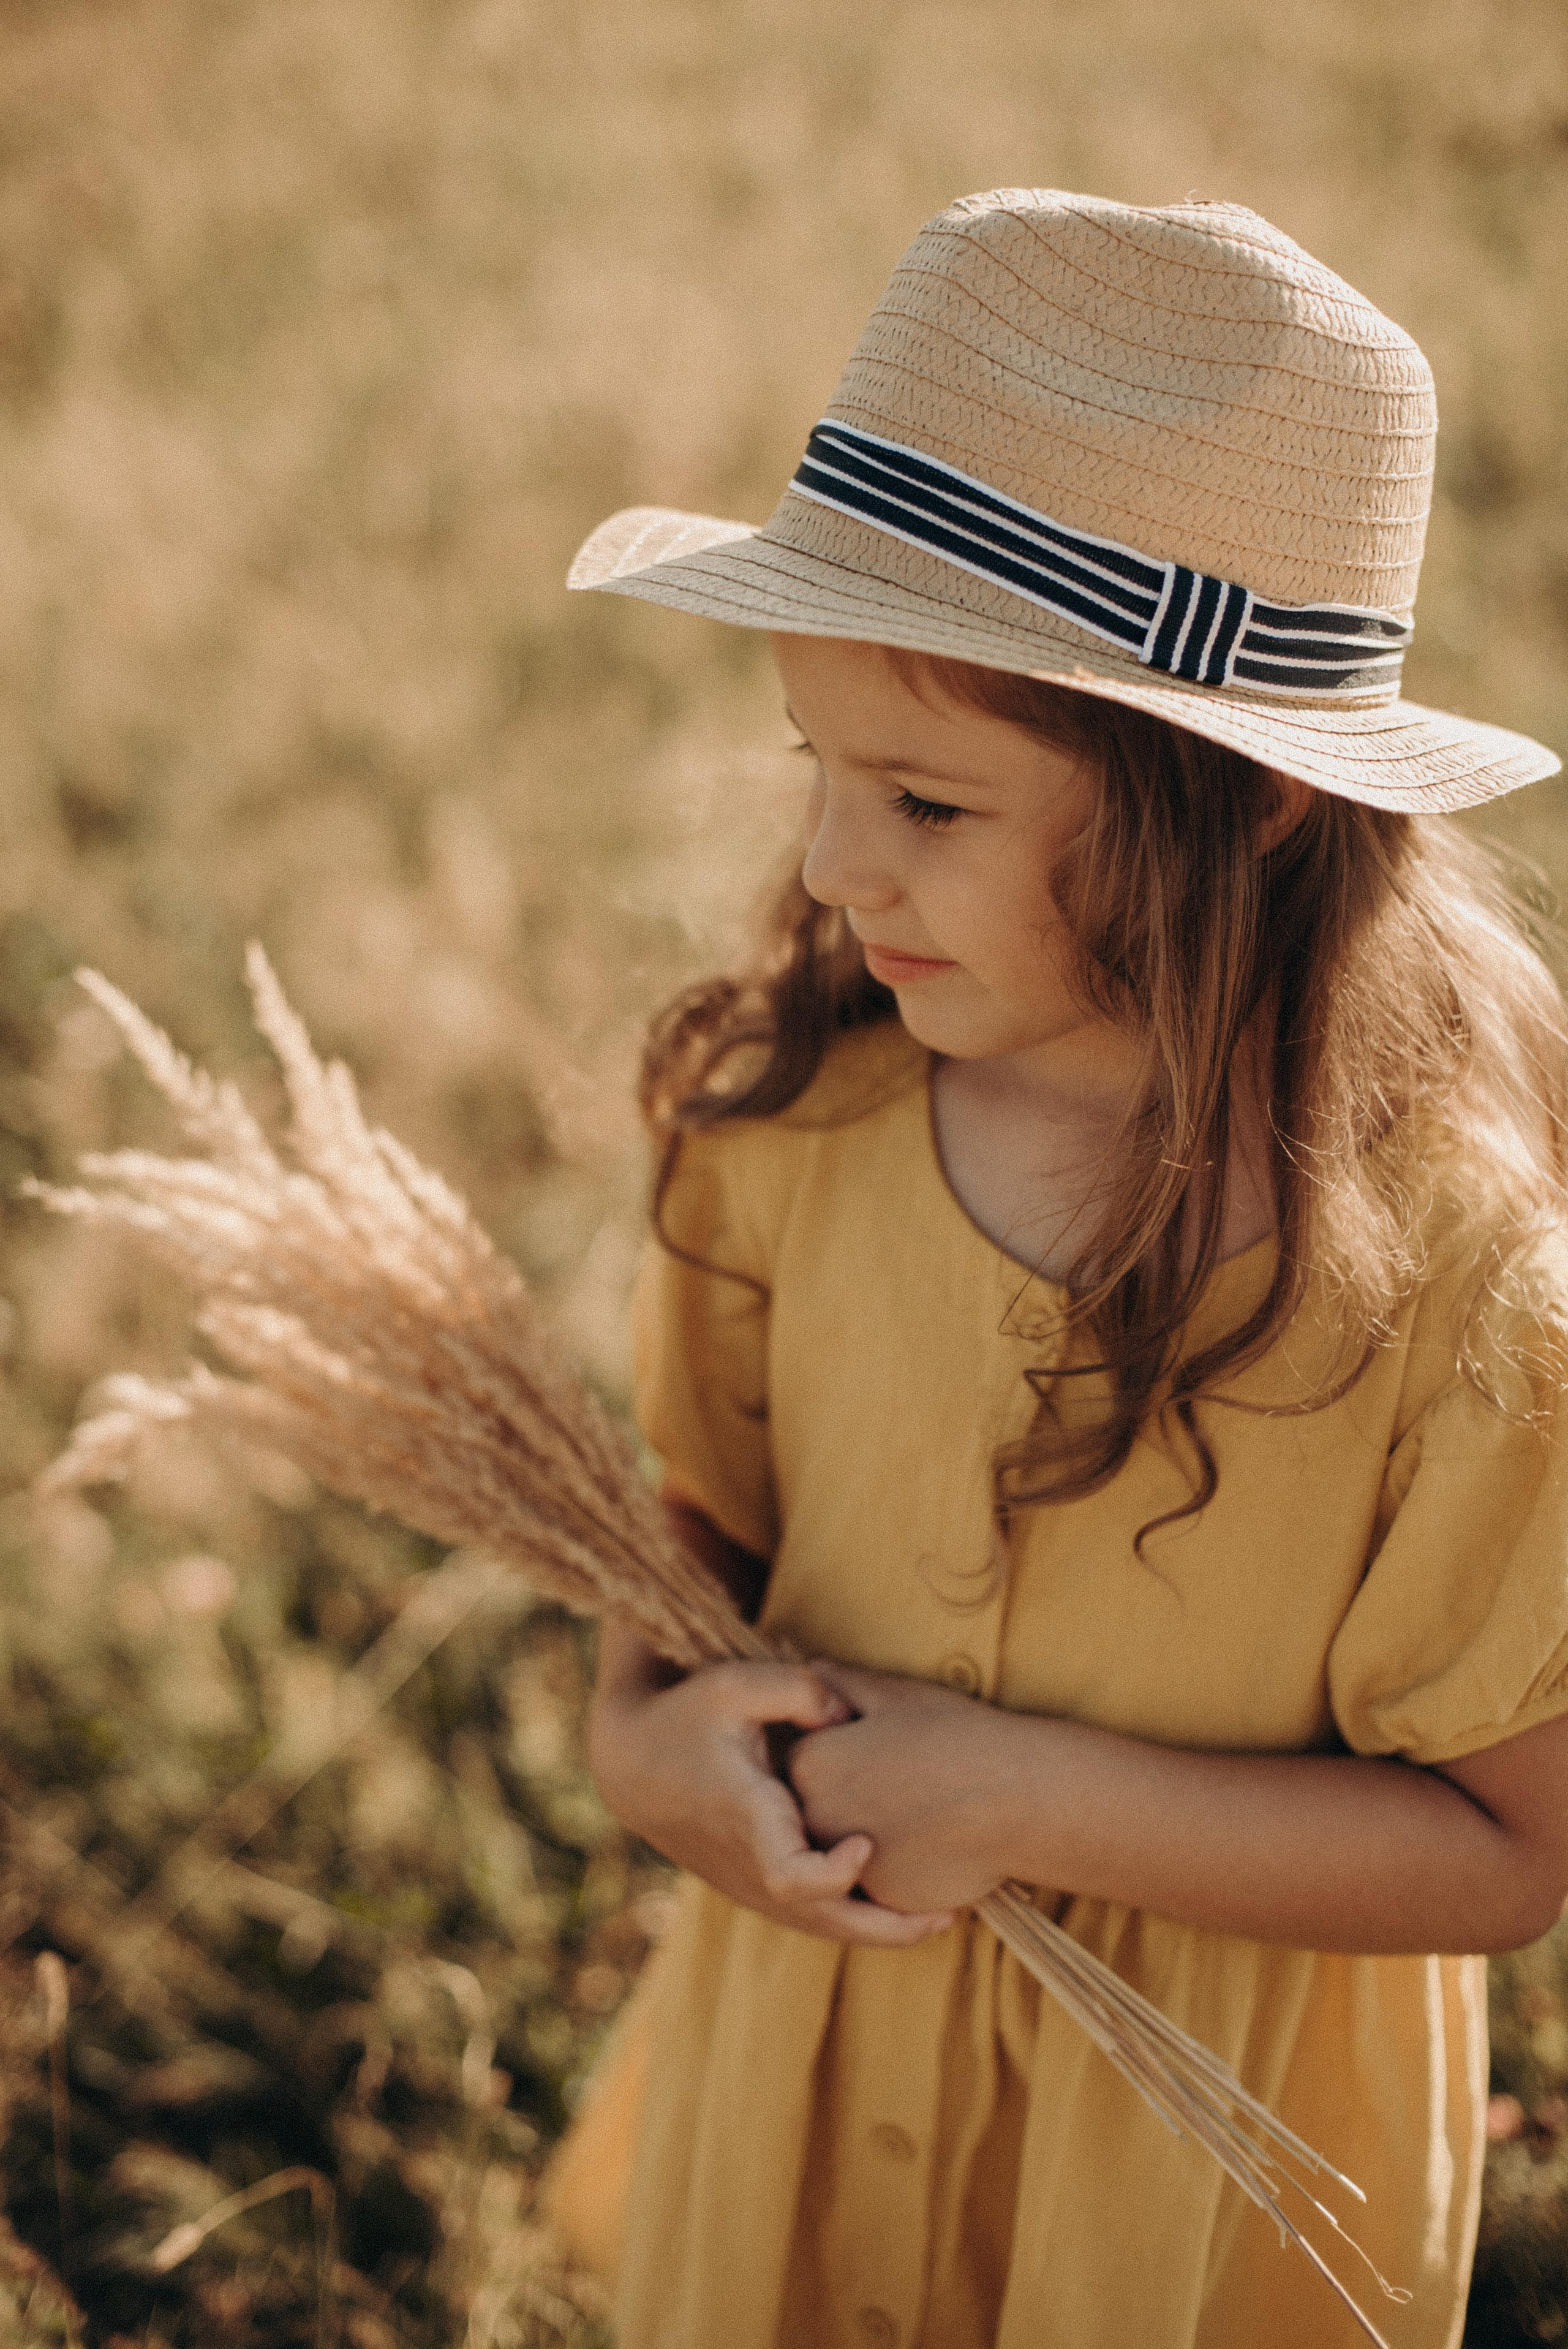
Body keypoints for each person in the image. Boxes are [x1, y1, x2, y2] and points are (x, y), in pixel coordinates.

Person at [556, 190, 1568, 2349]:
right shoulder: (788, 1132)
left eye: (929, 802)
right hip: (809, 2085)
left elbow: (1504, 1848)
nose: (836, 864)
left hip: (1184, 2209)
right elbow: (689, 1537)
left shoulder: (1463, 1293)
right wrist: (648, 1752)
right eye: (821, 768)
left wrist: (1021, 1799)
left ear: (1249, 803)